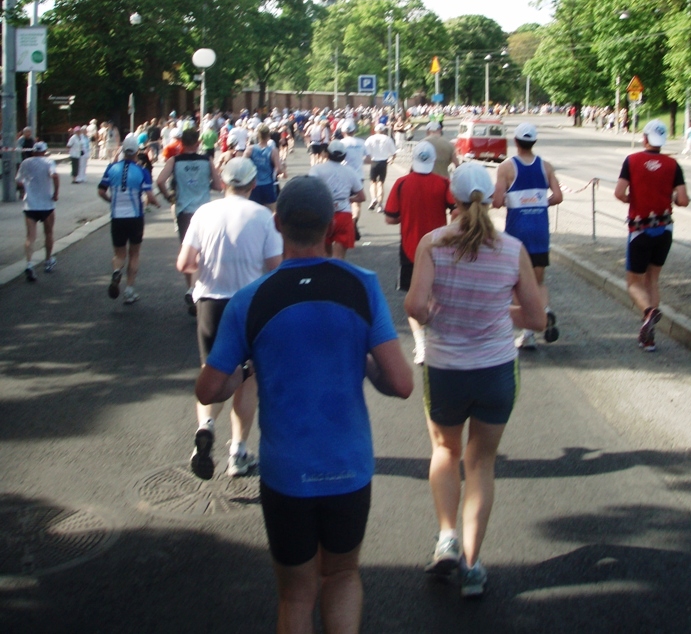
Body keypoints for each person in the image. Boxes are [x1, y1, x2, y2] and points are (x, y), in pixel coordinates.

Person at [195, 176, 413, 633]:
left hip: (286, 473)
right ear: (333, 225)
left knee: (295, 593)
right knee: (342, 574)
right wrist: (365, 363)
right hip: (348, 467)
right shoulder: (363, 285)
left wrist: (244, 371)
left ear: (277, 224)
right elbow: (401, 382)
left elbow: (208, 390)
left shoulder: (250, 300)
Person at [404, 162, 545, 597]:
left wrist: (438, 315)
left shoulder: (434, 243)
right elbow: (537, 319)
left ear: (454, 197)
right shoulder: (512, 248)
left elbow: (414, 305)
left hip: (446, 369)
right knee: (481, 463)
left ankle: (446, 537)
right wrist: (497, 312)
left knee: (445, 451)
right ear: (493, 198)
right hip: (496, 370)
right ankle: (471, 563)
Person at [177, 157, 283, 479]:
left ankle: (205, 429)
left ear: (222, 183)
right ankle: (238, 451)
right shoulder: (263, 216)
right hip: (249, 304)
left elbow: (185, 264)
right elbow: (276, 266)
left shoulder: (203, 213)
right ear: (253, 185)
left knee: (213, 372)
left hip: (210, 303)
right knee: (246, 382)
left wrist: (207, 268)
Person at [614, 119, 688, 351]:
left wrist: (631, 199)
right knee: (652, 280)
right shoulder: (673, 164)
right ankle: (648, 338)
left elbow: (619, 192)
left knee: (634, 283)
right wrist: (671, 198)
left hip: (640, 229)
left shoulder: (632, 160)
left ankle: (649, 313)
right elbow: (683, 200)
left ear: (645, 138)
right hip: (664, 228)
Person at [492, 121, 563, 350]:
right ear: (534, 141)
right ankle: (544, 311)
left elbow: (497, 201)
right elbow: (559, 196)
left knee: (517, 284)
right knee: (538, 281)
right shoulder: (546, 166)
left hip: (517, 232)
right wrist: (542, 203)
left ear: (515, 141)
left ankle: (528, 333)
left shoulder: (506, 168)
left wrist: (512, 202)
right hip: (540, 229)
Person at [385, 141, 456, 364]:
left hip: (410, 249)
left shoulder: (401, 184)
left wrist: (405, 215)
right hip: (439, 248)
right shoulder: (444, 183)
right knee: (438, 296)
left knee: (413, 297)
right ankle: (438, 340)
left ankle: (421, 344)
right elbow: (456, 211)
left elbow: (390, 217)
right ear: (433, 161)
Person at [157, 128, 223, 314]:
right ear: (197, 143)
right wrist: (206, 184)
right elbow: (218, 185)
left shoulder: (174, 161)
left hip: (184, 210)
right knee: (204, 251)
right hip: (204, 210)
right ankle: (198, 289)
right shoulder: (207, 161)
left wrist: (170, 197)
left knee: (188, 249)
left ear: (182, 143)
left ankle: (191, 288)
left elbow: (160, 181)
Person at [98, 134, 160, 304]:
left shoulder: (111, 168)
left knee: (119, 253)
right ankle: (130, 290)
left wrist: (112, 200)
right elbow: (150, 195)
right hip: (135, 217)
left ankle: (117, 270)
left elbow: (101, 191)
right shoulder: (142, 171)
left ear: (123, 150)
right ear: (136, 151)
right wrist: (158, 203)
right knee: (134, 253)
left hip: (117, 216)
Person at [309, 140, 365, 260]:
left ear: (327, 153)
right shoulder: (351, 172)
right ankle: (337, 277)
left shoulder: (317, 169)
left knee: (324, 255)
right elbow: (362, 197)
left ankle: (325, 277)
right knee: (339, 258)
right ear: (344, 156)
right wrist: (348, 199)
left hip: (323, 214)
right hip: (344, 214)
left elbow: (310, 191)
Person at [15, 141, 59, 281]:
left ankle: (29, 264)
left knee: (30, 237)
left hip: (30, 205)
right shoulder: (48, 162)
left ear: (33, 151)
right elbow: (55, 176)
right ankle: (47, 260)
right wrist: (56, 193)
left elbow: (18, 181)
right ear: (45, 151)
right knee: (49, 233)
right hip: (46, 204)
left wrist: (25, 189)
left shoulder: (26, 163)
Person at [244, 123, 283, 211]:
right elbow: (279, 169)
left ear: (258, 135)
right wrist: (278, 171)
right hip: (268, 184)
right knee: (271, 212)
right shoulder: (273, 151)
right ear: (269, 136)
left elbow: (243, 164)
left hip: (253, 185)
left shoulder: (250, 149)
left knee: (252, 211)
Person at [341, 119, 367, 240]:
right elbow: (368, 158)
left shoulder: (340, 143)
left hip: (344, 175)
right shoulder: (361, 142)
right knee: (357, 203)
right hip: (358, 175)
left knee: (345, 202)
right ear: (354, 131)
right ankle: (354, 221)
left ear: (343, 131)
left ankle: (346, 225)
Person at [363, 123, 397, 212]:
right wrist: (391, 159)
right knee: (380, 183)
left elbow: (365, 151)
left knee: (373, 182)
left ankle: (373, 198)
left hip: (374, 161)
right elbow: (394, 153)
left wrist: (367, 158)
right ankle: (380, 205)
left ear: (375, 130)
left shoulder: (370, 139)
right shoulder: (387, 139)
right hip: (383, 162)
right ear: (383, 130)